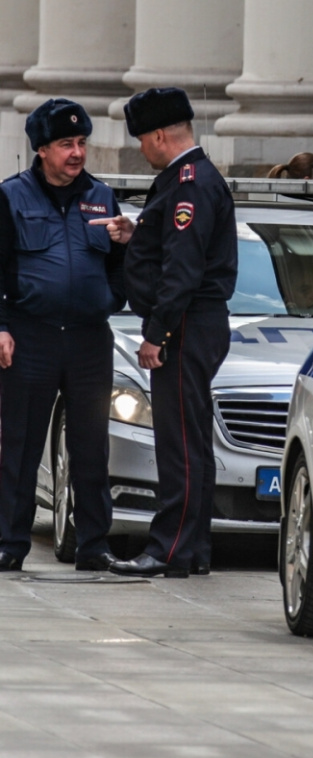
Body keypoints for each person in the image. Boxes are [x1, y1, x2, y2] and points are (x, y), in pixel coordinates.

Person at [94, 88, 238, 579]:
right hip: (195, 322)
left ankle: (168, 549)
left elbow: (183, 269)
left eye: (141, 140)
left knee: (178, 444)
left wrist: (156, 334)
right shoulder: (187, 179)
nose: (141, 149)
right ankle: (193, 548)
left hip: (185, 324)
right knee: (192, 441)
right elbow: (177, 247)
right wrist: (138, 235)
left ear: (159, 135)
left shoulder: (189, 184)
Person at [0, 99, 126, 573]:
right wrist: (1, 326)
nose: (77, 153)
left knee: (91, 446)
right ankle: (10, 542)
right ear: (42, 149)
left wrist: (111, 298)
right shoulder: (11, 197)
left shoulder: (102, 197)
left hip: (89, 340)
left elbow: (119, 265)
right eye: (66, 144)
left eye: (82, 143)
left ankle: (93, 544)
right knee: (21, 444)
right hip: (31, 336)